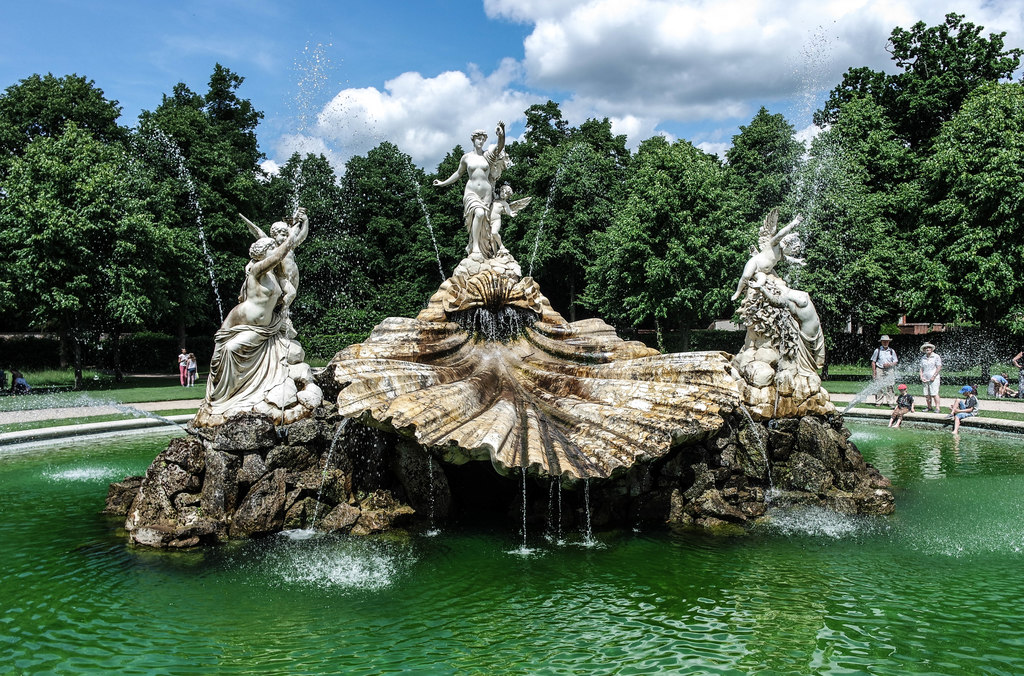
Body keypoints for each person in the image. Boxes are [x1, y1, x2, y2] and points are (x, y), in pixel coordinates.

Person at [433, 121, 507, 257]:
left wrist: (501, 133)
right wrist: (443, 183)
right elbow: (458, 174)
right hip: (471, 192)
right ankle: (475, 247)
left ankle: (485, 251)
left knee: (485, 224)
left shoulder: (487, 156)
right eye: (478, 138)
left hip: (486, 193)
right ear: (473, 139)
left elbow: (500, 147)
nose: (481, 141)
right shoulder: (466, 158)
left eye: (483, 139)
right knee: (478, 214)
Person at [871, 335, 898, 406]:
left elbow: (895, 361)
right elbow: (873, 362)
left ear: (889, 342)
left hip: (889, 369)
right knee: (879, 385)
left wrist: (890, 364)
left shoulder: (892, 351)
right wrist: (874, 372)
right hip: (879, 368)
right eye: (884, 341)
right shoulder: (877, 350)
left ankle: (890, 402)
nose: (885, 343)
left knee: (890, 385)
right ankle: (879, 401)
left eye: (886, 341)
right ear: (881, 342)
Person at [919, 342, 942, 412]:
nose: (927, 349)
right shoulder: (923, 358)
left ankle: (937, 408)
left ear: (931, 349)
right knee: (927, 394)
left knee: (934, 393)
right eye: (925, 348)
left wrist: (934, 376)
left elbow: (939, 367)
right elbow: (921, 368)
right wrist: (921, 377)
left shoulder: (936, 356)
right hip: (925, 378)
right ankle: (929, 407)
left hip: (934, 378)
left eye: (928, 347)